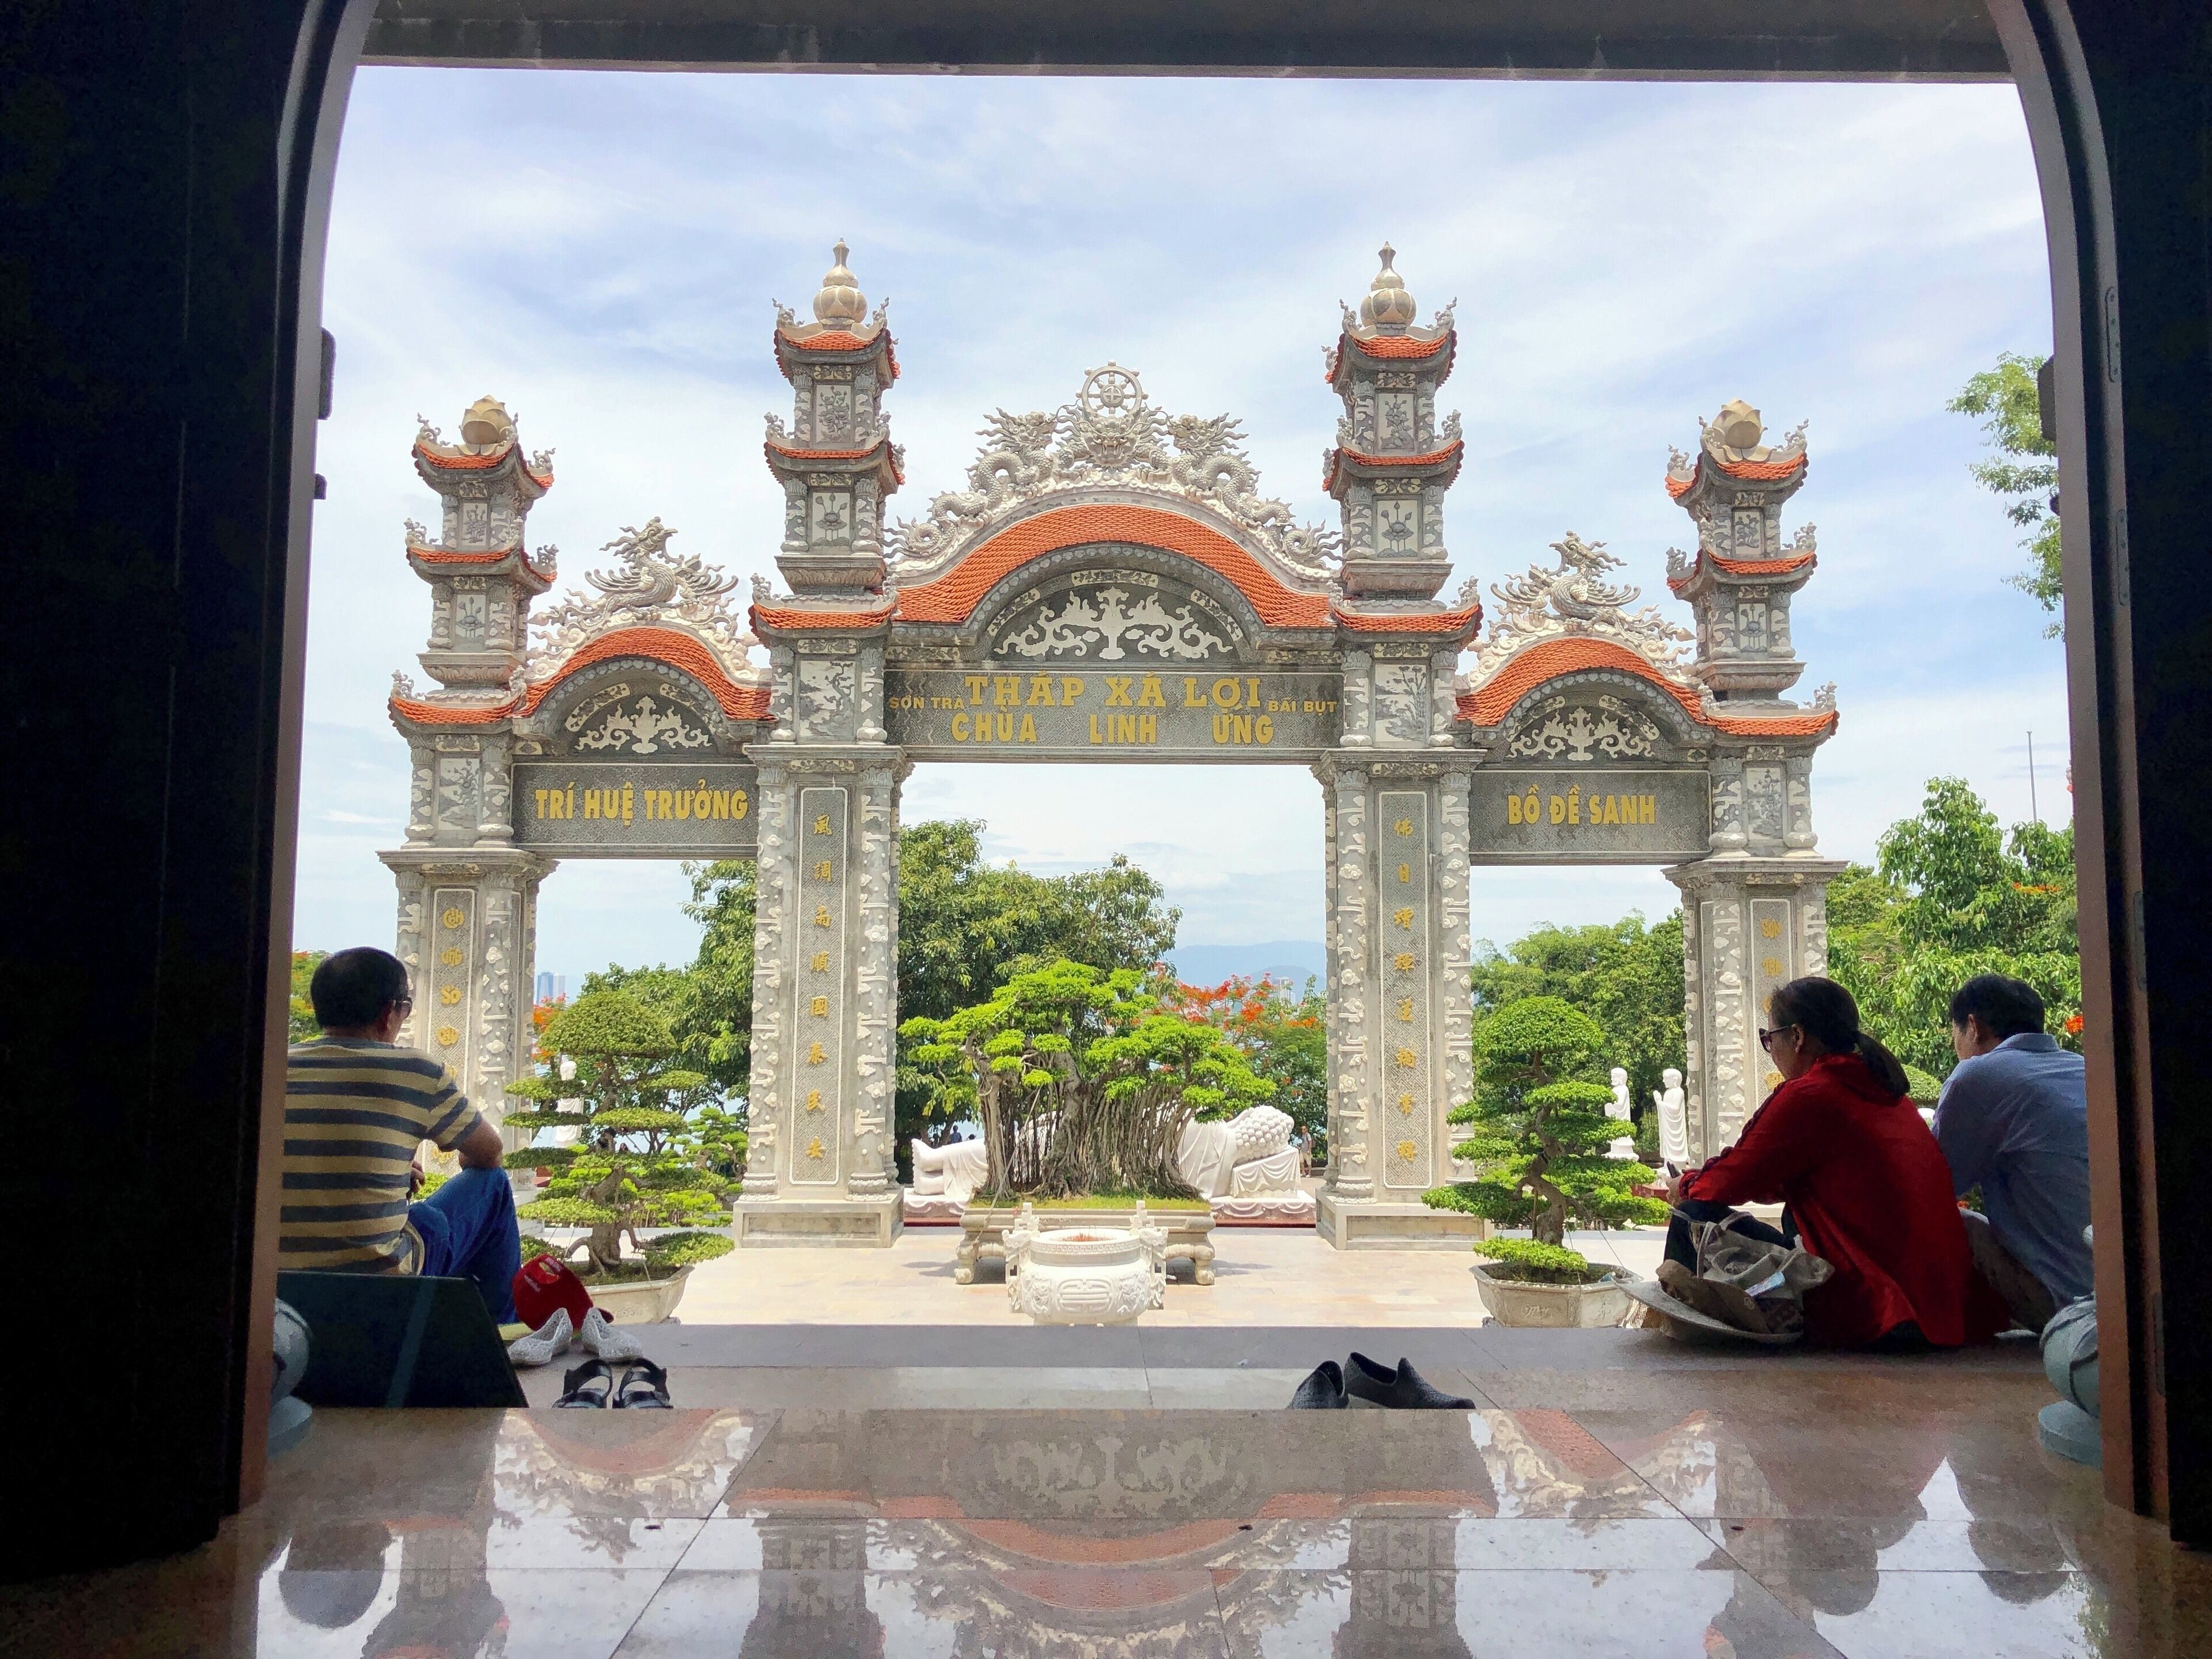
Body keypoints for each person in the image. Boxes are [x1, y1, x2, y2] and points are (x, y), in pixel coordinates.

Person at [1661, 976, 2006, 1349]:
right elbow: (1772, 1178)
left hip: (1876, 1311)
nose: (1771, 1050)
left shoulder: (1811, 1093)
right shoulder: (1884, 1091)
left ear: (1796, 1037)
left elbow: (1733, 1180)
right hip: (1946, 1311)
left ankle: (1687, 1343)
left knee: (1691, 1217)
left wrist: (1684, 1186)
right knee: (1795, 1213)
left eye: (1769, 1039)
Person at [282, 946, 521, 1324]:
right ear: (387, 1013)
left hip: (280, 1287)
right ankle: (502, 1339)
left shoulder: (274, 1066)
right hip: (376, 1289)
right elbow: (489, 1153)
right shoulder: (414, 1071)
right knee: (482, 1191)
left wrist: (384, 1167)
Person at [1932, 974, 2092, 1331]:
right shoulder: (2085, 1068)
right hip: (2124, 1298)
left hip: (2067, 1305)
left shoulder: (1978, 1075)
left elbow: (1933, 1186)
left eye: (1955, 1034)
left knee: (1959, 1222)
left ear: (1973, 1026)